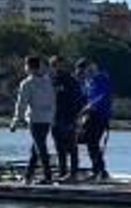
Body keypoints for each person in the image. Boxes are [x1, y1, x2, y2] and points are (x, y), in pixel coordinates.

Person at [11, 55, 57, 184]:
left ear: (28, 67)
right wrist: (52, 117)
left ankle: (48, 176)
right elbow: (53, 101)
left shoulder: (27, 83)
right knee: (36, 147)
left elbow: (22, 104)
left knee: (40, 147)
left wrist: (16, 120)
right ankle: (28, 175)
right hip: (47, 118)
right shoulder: (48, 81)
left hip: (35, 119)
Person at [76, 58, 112, 179]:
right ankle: (98, 169)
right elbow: (84, 97)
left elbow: (102, 96)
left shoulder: (101, 79)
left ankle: (99, 170)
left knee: (93, 142)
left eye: (84, 70)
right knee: (90, 143)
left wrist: (88, 107)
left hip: (100, 116)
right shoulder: (88, 82)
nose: (84, 74)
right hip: (90, 116)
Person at [48, 56, 83, 180]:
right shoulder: (51, 80)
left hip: (68, 117)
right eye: (54, 65)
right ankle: (63, 171)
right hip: (54, 117)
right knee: (59, 147)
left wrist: (76, 116)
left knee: (71, 146)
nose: (57, 68)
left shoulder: (71, 80)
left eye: (59, 65)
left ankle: (73, 173)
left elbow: (79, 100)